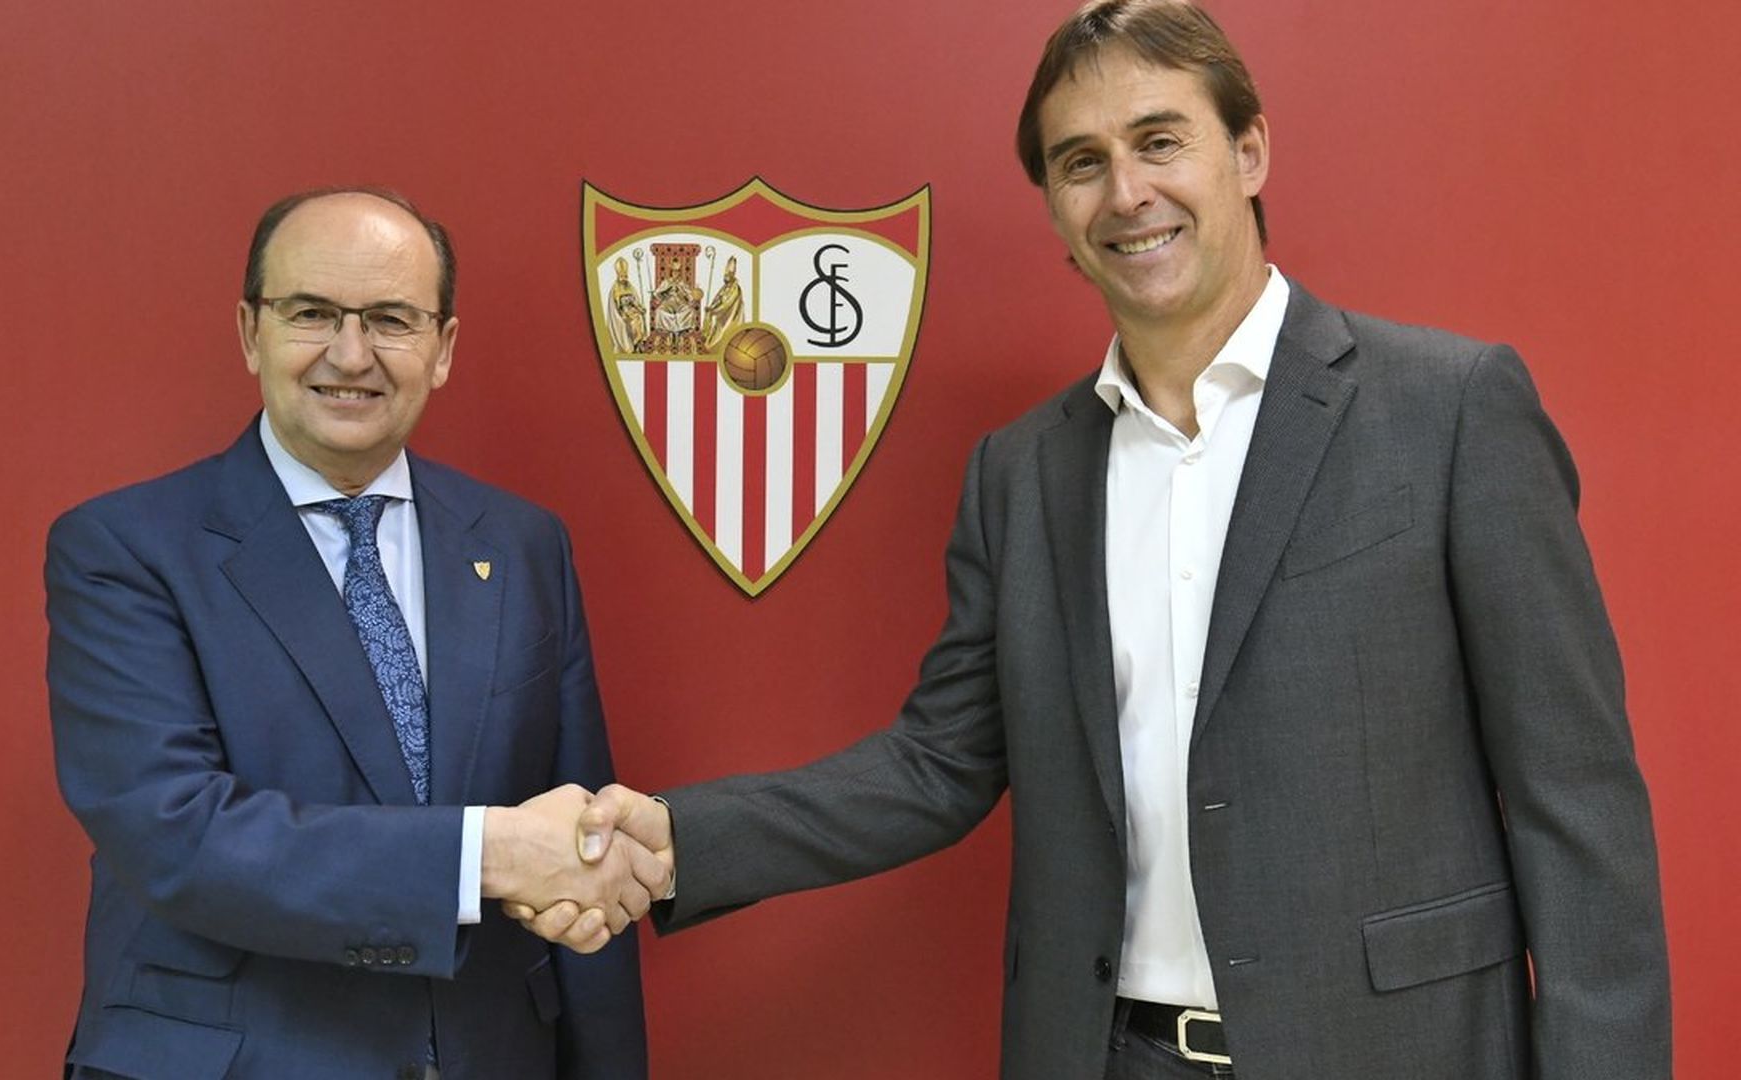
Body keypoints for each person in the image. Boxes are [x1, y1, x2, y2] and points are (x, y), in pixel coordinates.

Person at [515, 3, 1671, 1077]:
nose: (1127, 192)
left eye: (1159, 141)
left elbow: (1577, 801)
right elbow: (939, 762)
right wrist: (671, 840)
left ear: (1249, 153)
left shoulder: (1451, 408)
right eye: (1082, 162)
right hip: (1104, 1053)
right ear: (1058, 211)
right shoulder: (1021, 474)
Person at [46, 187, 668, 1080]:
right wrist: (486, 853)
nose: (350, 354)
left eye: (390, 318)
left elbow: (583, 844)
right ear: (250, 332)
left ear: (443, 348)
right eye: (311, 314)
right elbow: (175, 835)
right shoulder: (123, 549)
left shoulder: (523, 544)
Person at [701, 255, 745, 350]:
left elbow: (727, 303)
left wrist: (714, 310)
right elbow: (718, 299)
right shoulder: (726, 287)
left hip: (728, 316)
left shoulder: (734, 288)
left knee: (721, 335)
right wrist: (711, 307)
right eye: (725, 275)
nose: (725, 277)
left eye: (727, 275)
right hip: (721, 315)